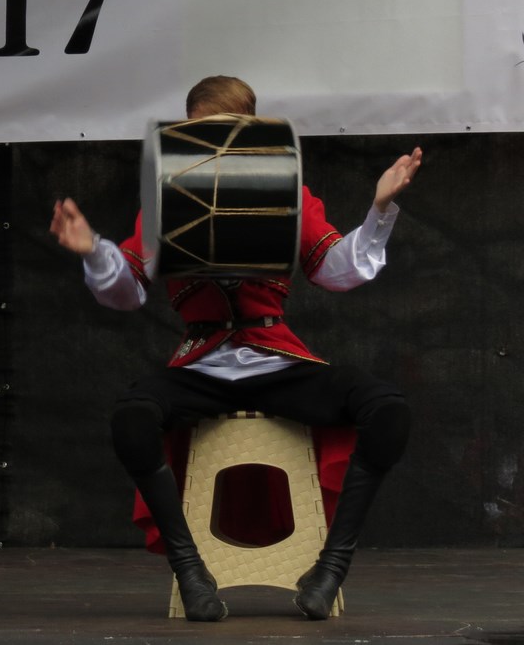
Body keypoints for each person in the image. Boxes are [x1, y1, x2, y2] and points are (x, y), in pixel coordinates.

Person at [49, 76, 420, 621]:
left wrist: (380, 209)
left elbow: (336, 270)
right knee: (132, 417)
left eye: (221, 130)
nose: (210, 141)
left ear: (248, 132)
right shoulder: (167, 196)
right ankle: (191, 571)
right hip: (202, 365)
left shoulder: (287, 192)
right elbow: (127, 289)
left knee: (388, 409)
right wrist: (94, 252)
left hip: (276, 359)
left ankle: (329, 568)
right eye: (199, 131)